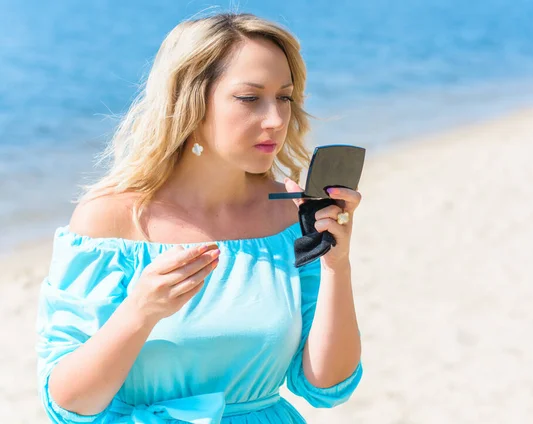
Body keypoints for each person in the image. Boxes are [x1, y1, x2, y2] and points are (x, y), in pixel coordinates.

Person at [35, 12, 363, 423]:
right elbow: (67, 406)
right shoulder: (110, 221)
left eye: (284, 97)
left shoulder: (289, 213)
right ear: (190, 100)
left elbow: (326, 386)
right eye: (249, 99)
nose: (276, 120)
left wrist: (337, 265)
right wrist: (140, 312)